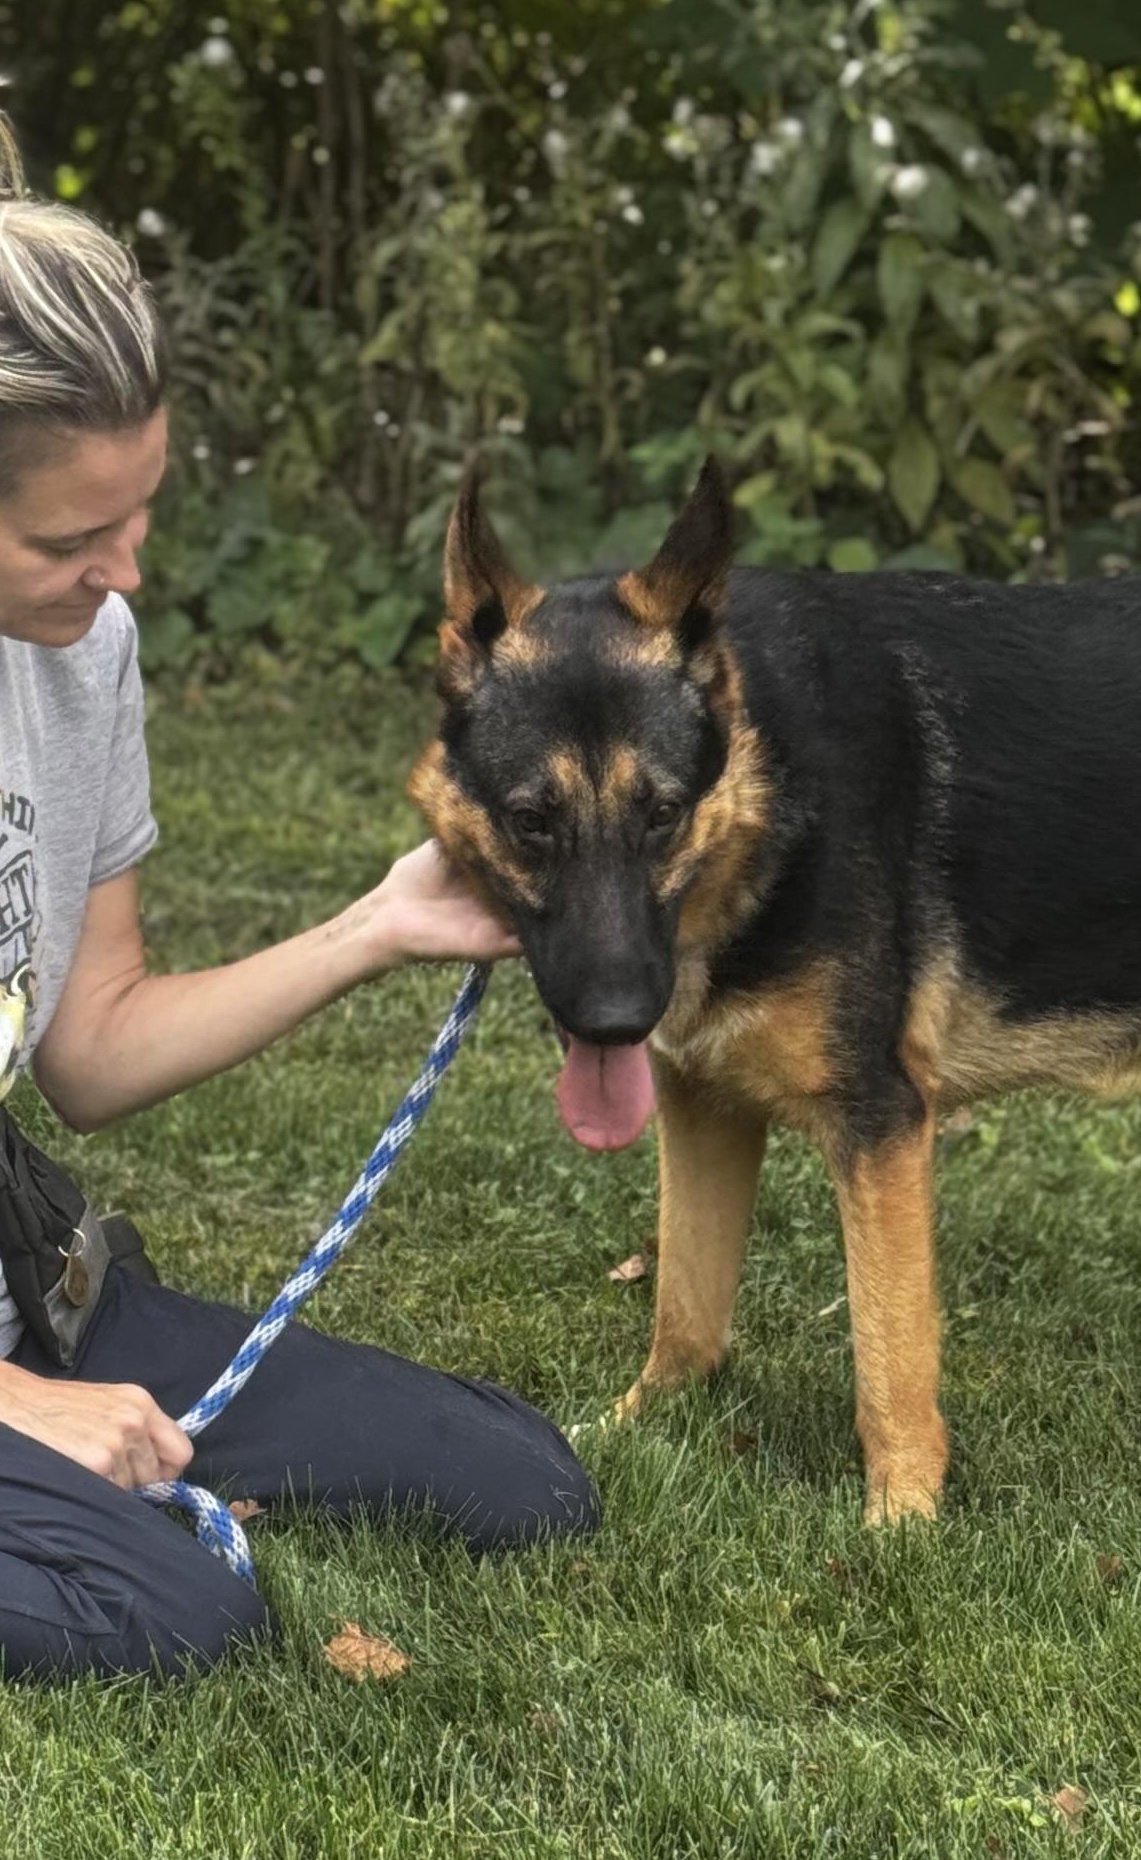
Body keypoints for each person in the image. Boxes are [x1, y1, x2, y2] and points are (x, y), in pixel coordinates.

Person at [0, 117, 596, 1680]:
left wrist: (377, 927)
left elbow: (94, 1048)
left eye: (142, 511)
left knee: (523, 1486)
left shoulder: (81, 655)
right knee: (169, 1608)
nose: (127, 571)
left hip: (25, 1290)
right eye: (69, 537)